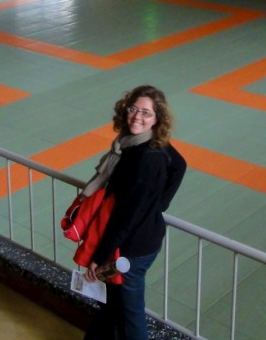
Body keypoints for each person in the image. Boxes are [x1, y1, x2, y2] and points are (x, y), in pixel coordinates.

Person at [82, 84, 187, 340]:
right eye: (133, 109)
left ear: (157, 119)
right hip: (131, 239)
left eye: (146, 113)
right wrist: (155, 205)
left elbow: (126, 217)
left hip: (132, 249)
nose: (137, 117)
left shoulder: (147, 158)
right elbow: (180, 165)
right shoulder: (133, 143)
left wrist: (100, 256)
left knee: (131, 313)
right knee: (113, 303)